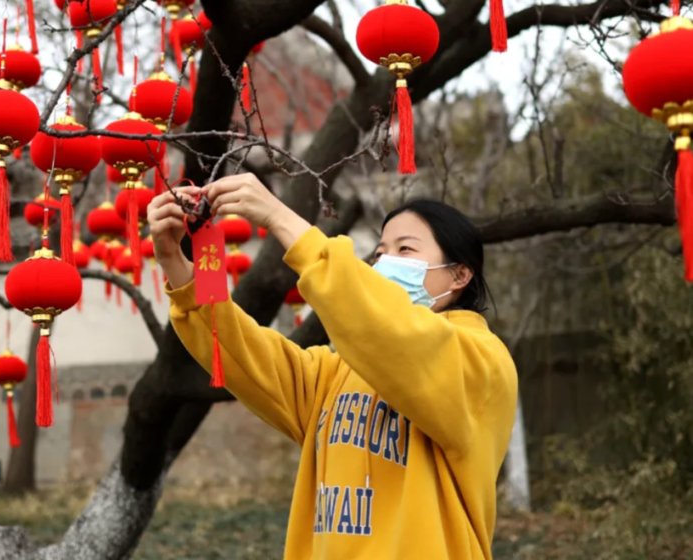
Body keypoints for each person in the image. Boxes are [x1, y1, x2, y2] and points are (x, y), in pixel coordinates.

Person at [147, 173, 518, 559]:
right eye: (379, 252)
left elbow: (396, 334)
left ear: (460, 274)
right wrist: (178, 263)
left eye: (405, 249)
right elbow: (241, 350)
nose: (385, 261)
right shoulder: (335, 372)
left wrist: (280, 218)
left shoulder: (481, 364)